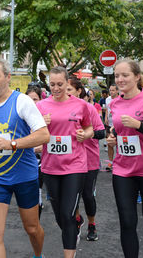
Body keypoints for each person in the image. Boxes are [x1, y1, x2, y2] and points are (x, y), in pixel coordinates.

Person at [0, 57, 50, 258]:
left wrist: (13, 144)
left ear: (7, 77)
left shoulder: (21, 101)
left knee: (32, 228)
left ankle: (38, 255)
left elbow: (44, 135)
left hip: (24, 177)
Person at [36, 66, 93, 258]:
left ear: (67, 82)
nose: (56, 88)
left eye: (60, 84)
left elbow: (90, 128)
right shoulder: (41, 106)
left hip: (75, 166)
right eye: (52, 85)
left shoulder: (80, 105)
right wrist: (41, 123)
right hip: (51, 167)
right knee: (61, 216)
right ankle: (74, 227)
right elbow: (33, 134)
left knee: (68, 213)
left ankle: (68, 254)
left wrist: (84, 135)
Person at [107, 59, 143, 258]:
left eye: (125, 75)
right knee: (127, 221)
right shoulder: (115, 103)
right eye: (117, 76)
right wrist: (113, 138)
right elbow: (120, 131)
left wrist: (139, 125)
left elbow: (140, 129)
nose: (120, 79)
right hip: (122, 169)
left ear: (137, 76)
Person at [67, 77, 105, 242]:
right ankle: (76, 220)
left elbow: (102, 132)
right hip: (69, 160)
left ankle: (92, 224)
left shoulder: (88, 108)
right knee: (71, 195)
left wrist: (87, 134)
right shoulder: (58, 108)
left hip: (89, 159)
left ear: (78, 91)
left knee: (88, 195)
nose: (66, 93)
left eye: (69, 89)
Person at [25, 86, 44, 218]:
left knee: (37, 191)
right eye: (29, 99)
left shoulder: (46, 117)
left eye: (35, 99)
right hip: (25, 160)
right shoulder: (21, 116)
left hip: (43, 161)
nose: (32, 103)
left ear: (41, 100)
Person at [104, 84, 119, 171]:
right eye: (110, 90)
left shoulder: (120, 99)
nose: (111, 92)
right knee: (109, 144)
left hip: (117, 125)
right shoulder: (107, 99)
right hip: (109, 124)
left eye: (113, 90)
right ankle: (110, 162)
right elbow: (107, 109)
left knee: (118, 144)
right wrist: (105, 118)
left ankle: (118, 162)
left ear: (117, 91)